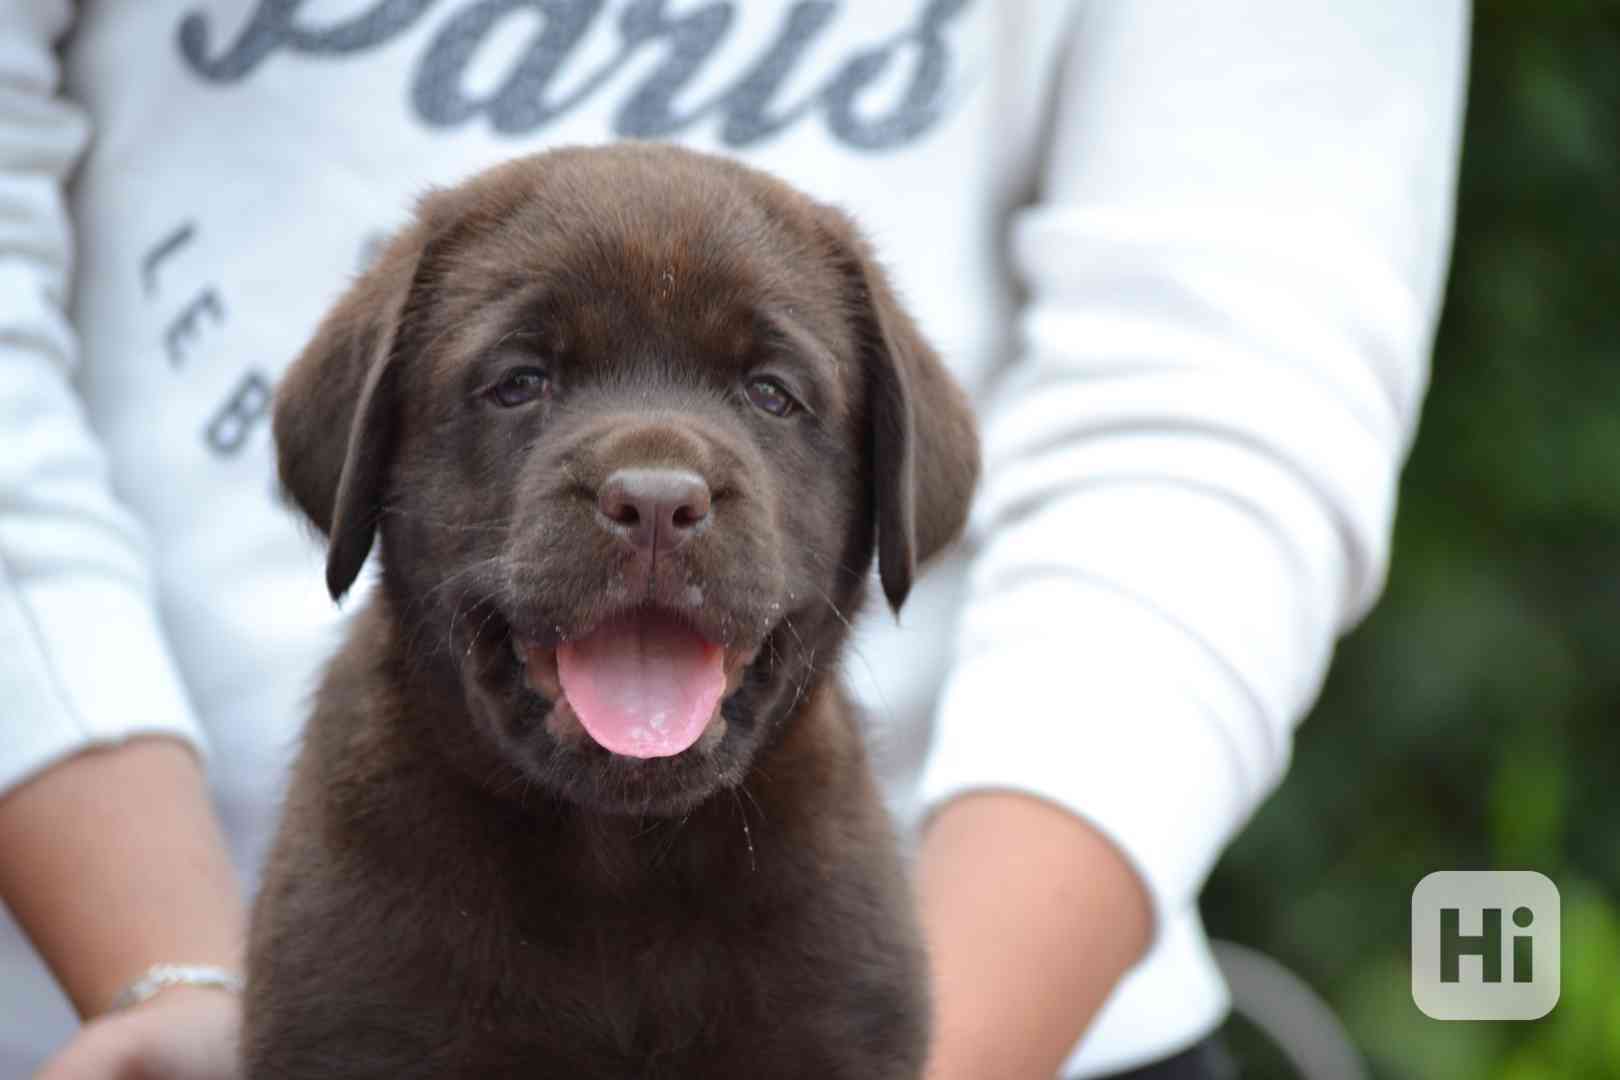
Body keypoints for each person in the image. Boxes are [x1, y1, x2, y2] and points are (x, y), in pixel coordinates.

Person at [0, 2, 1469, 1077]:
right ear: (362, 461)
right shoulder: (347, 908)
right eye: (521, 382)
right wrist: (182, 992)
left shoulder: (846, 939)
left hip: (1031, 1010)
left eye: (770, 392)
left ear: (889, 486)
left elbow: (1217, 400)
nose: (655, 478)